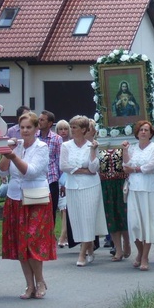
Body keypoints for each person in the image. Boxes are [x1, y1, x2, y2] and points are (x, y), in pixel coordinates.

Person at [0, 112, 56, 299]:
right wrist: (9, 153)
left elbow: (30, 172)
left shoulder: (42, 147)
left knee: (32, 242)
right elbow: (1, 170)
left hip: (36, 198)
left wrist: (14, 157)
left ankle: (40, 281)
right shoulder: (17, 145)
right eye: (22, 127)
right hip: (15, 197)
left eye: (28, 127)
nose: (24, 131)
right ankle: (29, 284)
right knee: (20, 243)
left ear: (36, 129)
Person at [60, 116, 107, 267]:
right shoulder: (66, 146)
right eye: (71, 127)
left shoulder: (91, 145)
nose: (72, 130)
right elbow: (64, 166)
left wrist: (93, 151)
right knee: (77, 220)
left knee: (88, 219)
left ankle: (82, 253)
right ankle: (89, 246)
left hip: (90, 187)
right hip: (73, 186)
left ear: (83, 130)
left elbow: (94, 169)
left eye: (75, 127)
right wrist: (81, 170)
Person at [122, 121, 154, 271]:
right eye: (141, 130)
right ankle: (139, 252)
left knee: (147, 224)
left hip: (149, 189)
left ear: (151, 133)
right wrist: (125, 151)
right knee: (134, 224)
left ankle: (145, 256)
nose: (143, 132)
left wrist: (135, 169)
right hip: (134, 189)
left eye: (146, 130)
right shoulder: (132, 148)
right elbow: (125, 166)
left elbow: (152, 166)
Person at [98, 145, 131, 261]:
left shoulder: (122, 145)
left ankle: (127, 242)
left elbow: (128, 164)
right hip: (106, 185)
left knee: (123, 215)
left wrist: (126, 149)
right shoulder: (99, 147)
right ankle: (118, 248)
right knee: (111, 216)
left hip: (120, 183)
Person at [37, 110, 63, 226]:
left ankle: (50, 238)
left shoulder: (56, 139)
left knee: (51, 211)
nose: (39, 122)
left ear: (50, 123)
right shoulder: (34, 137)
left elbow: (59, 161)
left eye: (42, 120)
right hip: (37, 180)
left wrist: (62, 183)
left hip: (52, 180)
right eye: (39, 119)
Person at [55, 119, 73, 248]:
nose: (63, 132)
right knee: (62, 209)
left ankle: (63, 235)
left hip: (68, 179)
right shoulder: (57, 144)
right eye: (60, 129)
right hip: (57, 179)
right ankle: (64, 234)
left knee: (66, 208)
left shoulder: (71, 145)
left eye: (65, 129)